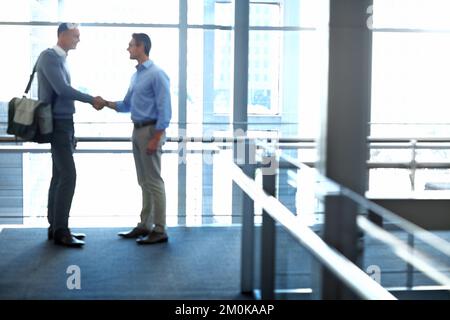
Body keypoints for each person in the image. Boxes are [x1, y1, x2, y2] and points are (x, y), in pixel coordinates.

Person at [36, 23, 106, 247]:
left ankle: (55, 227)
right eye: (75, 36)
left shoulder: (62, 59)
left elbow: (64, 95)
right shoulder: (49, 57)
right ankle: (61, 231)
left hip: (65, 123)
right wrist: (91, 98)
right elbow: (62, 90)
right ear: (62, 35)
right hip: (56, 124)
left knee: (59, 176)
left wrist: (72, 130)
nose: (78, 40)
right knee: (68, 176)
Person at [104, 33, 171, 245]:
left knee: (154, 181)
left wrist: (156, 137)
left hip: (151, 131)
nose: (128, 49)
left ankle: (160, 229)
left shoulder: (157, 74)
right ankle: (145, 225)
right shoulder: (137, 76)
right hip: (137, 130)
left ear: (141, 47)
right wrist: (104, 103)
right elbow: (126, 105)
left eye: (131, 45)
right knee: (144, 181)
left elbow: (165, 111)